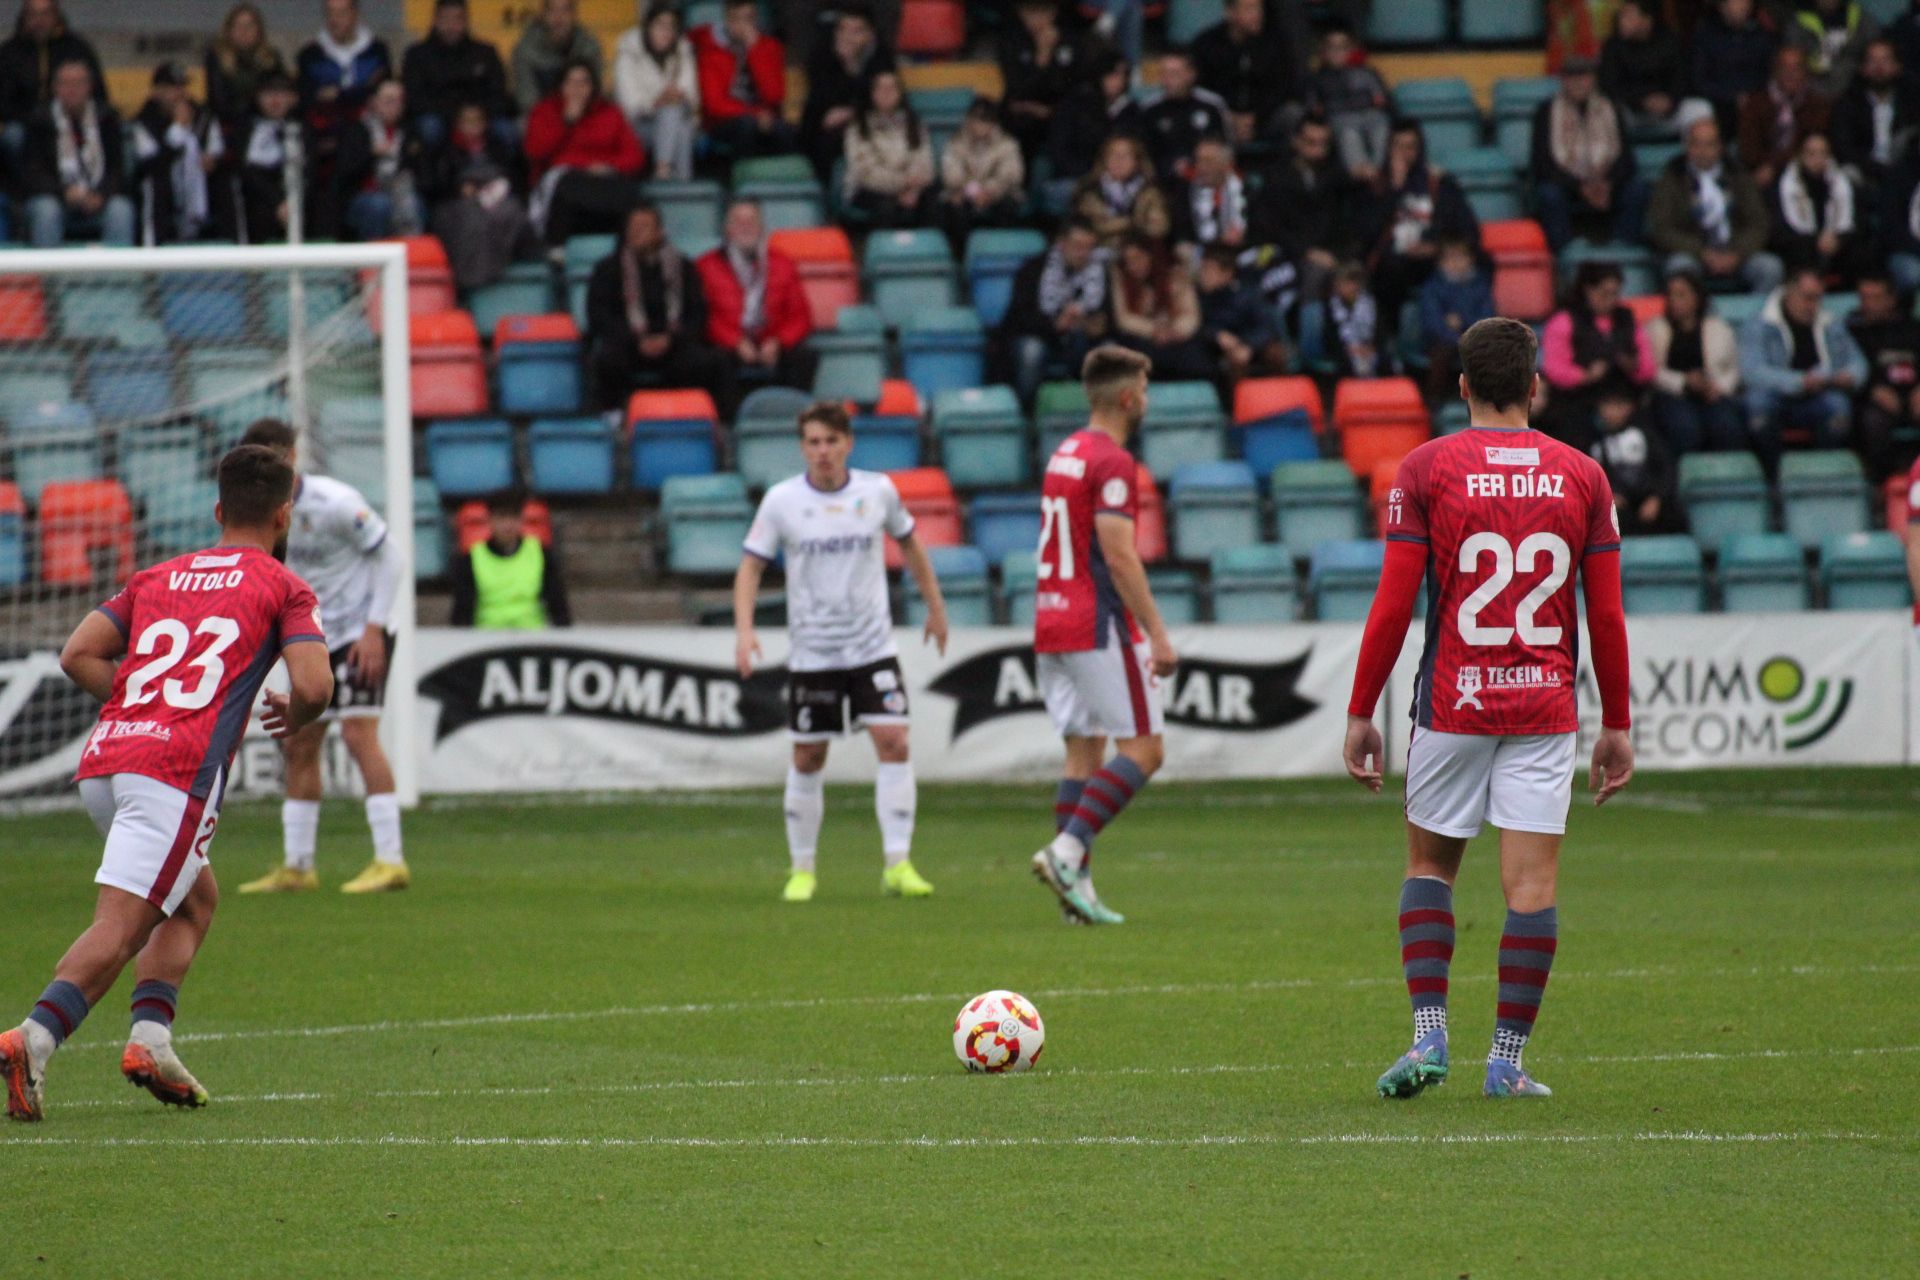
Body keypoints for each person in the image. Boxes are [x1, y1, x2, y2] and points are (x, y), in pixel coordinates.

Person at [1344, 316, 1635, 1103]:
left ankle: (1428, 1035)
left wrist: (1360, 709)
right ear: (1534, 386)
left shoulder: (1426, 468)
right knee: (1531, 888)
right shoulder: (1583, 476)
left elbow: (1393, 603)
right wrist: (1617, 721)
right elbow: (1604, 617)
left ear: (1464, 386)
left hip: (1452, 703)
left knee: (1431, 867)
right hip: (1543, 707)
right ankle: (1505, 1062)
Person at [0, 444, 333, 1124]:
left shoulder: (158, 574)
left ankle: (151, 1040)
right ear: (284, 515)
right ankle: (33, 1038)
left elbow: (77, 653)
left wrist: (139, 710)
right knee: (121, 925)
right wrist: (293, 715)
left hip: (108, 760)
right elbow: (316, 685)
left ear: (217, 510)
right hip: (175, 775)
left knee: (192, 901)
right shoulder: (283, 585)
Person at [733, 402, 949, 904]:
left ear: (848, 443)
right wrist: (745, 631)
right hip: (815, 653)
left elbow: (912, 546)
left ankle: (898, 864)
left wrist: (935, 608)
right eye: (813, 442)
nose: (823, 451)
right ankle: (802, 869)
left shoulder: (878, 492)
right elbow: (750, 568)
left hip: (872, 646)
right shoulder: (782, 501)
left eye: (831, 441)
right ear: (802, 447)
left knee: (894, 742)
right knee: (809, 755)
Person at [1029, 345, 1179, 927]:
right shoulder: (1112, 461)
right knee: (1144, 748)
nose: (1146, 397)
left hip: (1049, 617)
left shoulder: (1065, 451)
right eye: (1143, 386)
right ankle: (1066, 854)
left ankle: (1076, 894)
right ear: (1125, 396)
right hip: (1095, 621)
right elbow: (1118, 554)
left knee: (1082, 751)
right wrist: (1158, 635)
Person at [233, 419, 412, 897]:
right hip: (312, 638)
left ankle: (391, 860)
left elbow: (391, 556)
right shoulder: (265, 513)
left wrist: (374, 628)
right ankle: (298, 866)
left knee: (358, 735)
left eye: (274, 456)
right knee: (300, 742)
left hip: (358, 634)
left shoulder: (336, 502)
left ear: (292, 457)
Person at [588, 202, 731, 412]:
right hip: (628, 343)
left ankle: (700, 416)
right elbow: (599, 315)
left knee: (713, 360)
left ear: (659, 232)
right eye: (633, 228)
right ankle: (615, 417)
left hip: (674, 344)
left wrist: (670, 339)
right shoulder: (607, 269)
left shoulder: (683, 266)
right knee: (606, 359)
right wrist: (635, 339)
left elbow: (697, 313)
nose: (637, 233)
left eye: (644, 227)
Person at [1739, 266, 1867, 476]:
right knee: (1758, 407)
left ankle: (1823, 474)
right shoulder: (1760, 323)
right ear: (1789, 293)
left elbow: (1858, 362)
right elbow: (1752, 371)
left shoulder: (1830, 323)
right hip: (1776, 396)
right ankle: (1774, 477)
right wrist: (1799, 382)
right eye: (1807, 298)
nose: (1812, 305)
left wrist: (1850, 377)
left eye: (1818, 298)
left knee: (1838, 407)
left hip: (1819, 395)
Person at [1353, 119, 1480, 327]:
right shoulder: (1374, 187)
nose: (1404, 153)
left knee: (1479, 264)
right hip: (1393, 262)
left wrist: (1436, 248)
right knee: (1389, 268)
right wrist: (1394, 188)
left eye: (1410, 147)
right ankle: (1390, 339)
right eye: (1398, 146)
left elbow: (1468, 229)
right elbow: (1366, 234)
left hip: (1434, 257)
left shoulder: (1440, 184)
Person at [1646, 113, 1783, 294]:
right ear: (1687, 146)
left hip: (1736, 253)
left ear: (1720, 147)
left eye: (1709, 144)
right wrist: (1702, 253)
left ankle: (1755, 319)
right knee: (1680, 267)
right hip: (1693, 254)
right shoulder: (1672, 177)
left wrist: (1737, 253)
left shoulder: (1738, 175)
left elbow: (1758, 222)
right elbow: (1661, 228)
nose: (1703, 151)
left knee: (1771, 268)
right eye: (1696, 144)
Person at [698, 199, 818, 395]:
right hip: (729, 344)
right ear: (727, 229)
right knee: (713, 360)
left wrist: (778, 341)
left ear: (762, 228)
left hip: (772, 341)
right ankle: (730, 421)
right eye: (738, 221)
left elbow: (801, 316)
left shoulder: (783, 264)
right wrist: (735, 342)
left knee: (804, 357)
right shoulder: (706, 266)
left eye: (752, 221)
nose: (746, 227)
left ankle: (790, 415)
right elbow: (705, 317)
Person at [1530, 54, 1648, 251]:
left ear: (1593, 79)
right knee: (1549, 194)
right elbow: (1542, 163)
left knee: (1637, 189)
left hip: (1606, 182)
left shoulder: (1610, 106)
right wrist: (1580, 186)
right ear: (1563, 80)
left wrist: (1608, 183)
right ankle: (1564, 255)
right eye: (1571, 77)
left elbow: (1626, 157)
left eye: (1583, 76)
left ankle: (1624, 249)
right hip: (1567, 184)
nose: (1578, 83)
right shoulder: (1547, 111)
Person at [523, 58, 647, 245]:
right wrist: (565, 122)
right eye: (571, 82)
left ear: (593, 86)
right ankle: (556, 248)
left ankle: (627, 252)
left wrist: (609, 166)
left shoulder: (610, 112)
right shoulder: (545, 111)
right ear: (561, 86)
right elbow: (535, 151)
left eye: (583, 82)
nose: (577, 88)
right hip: (564, 180)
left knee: (632, 194)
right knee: (566, 185)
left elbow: (634, 156)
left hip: (603, 180)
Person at [1540, 261, 1656, 452]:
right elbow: (1554, 369)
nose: (1610, 300)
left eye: (1615, 294)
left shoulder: (1627, 320)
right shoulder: (1564, 321)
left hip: (1624, 401)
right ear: (1588, 290)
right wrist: (1585, 376)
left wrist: (1632, 367)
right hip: (1578, 403)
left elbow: (1647, 367)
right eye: (1604, 293)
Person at [22, 59, 132, 247]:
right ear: (55, 88)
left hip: (97, 198)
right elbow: (33, 173)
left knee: (120, 209)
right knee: (46, 210)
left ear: (89, 87)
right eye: (65, 84)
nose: (71, 90)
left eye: (78, 84)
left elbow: (117, 168)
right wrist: (64, 192)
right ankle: (49, 275)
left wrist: (101, 195)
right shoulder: (39, 121)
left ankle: (118, 275)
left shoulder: (107, 118)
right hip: (56, 198)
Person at [999, 217, 1109, 405]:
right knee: (1031, 352)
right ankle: (1028, 413)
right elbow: (1018, 315)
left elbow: (1108, 316)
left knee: (1111, 352)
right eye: (1077, 246)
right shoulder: (1033, 269)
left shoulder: (1101, 272)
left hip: (1084, 339)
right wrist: (1055, 324)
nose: (1083, 253)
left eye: (1089, 247)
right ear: (1062, 244)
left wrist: (1094, 325)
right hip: (1039, 335)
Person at [429, 101, 538, 289]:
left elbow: (516, 177)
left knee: (511, 212)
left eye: (477, 121)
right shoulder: (444, 150)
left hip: (496, 198)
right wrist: (460, 188)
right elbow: (434, 184)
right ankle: (472, 282)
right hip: (456, 204)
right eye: (466, 121)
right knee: (474, 220)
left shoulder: (498, 147)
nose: (472, 126)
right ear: (457, 124)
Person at [1250, 115, 1352, 306]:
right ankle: (1308, 333)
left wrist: (1338, 255)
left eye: (1323, 144)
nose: (1318, 151)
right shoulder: (1277, 177)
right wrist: (1307, 251)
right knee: (1314, 273)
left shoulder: (1336, 177)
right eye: (1311, 143)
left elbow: (1343, 224)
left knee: (1353, 272)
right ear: (1296, 141)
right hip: (1288, 254)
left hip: (1330, 252)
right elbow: (1271, 226)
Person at [132, 61, 233, 246]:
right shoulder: (145, 120)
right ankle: (151, 257)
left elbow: (217, 150)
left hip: (199, 185)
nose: (179, 94)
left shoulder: (203, 116)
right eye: (172, 88)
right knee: (153, 186)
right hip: (165, 185)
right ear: (156, 91)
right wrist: (177, 129)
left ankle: (236, 254)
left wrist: (212, 160)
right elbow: (150, 163)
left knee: (228, 184)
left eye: (182, 87)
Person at [1645, 270, 1745, 453]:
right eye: (1671, 295)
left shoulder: (1719, 328)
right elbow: (1651, 371)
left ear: (1697, 297)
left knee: (1727, 426)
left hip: (1712, 393)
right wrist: (1684, 381)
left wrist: (1717, 388)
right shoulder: (1655, 328)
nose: (1675, 300)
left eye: (1681, 294)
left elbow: (1733, 368)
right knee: (1685, 428)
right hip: (1671, 394)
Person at [449, 490, 573, 628]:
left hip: (532, 638)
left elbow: (557, 604)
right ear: (490, 520)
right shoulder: (471, 558)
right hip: (487, 641)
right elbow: (462, 611)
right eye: (501, 517)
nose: (508, 524)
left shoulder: (540, 553)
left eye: (514, 517)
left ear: (521, 519)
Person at [800, 2, 893, 182]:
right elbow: (820, 99)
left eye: (856, 31)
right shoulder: (822, 53)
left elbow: (884, 97)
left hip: (868, 120)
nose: (848, 37)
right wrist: (845, 67)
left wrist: (852, 67)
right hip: (824, 125)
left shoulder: (881, 56)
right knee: (826, 140)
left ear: (870, 34)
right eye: (843, 30)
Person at [0, 0, 103, 159]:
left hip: (73, 122)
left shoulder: (77, 49)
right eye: (33, 14)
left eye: (45, 14)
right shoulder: (9, 53)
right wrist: (36, 119)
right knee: (13, 136)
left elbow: (99, 95)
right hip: (27, 125)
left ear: (56, 16)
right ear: (24, 17)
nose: (39, 20)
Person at [401, 0, 512, 147]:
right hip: (438, 115)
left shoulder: (485, 52)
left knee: (505, 130)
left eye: (457, 19)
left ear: (466, 22)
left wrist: (476, 116)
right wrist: (456, 116)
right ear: (435, 21)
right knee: (430, 127)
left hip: (481, 115)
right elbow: (415, 97)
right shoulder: (417, 55)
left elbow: (498, 91)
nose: (451, 26)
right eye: (445, 19)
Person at [1191, 0, 1298, 150]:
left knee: (1293, 114)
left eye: (1259, 9)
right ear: (1230, 13)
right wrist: (1228, 116)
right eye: (1249, 9)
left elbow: (1284, 87)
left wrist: (1255, 117)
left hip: (1263, 119)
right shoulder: (1207, 44)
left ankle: (1288, 171)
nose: (1257, 15)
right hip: (1221, 119)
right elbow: (1201, 90)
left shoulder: (1275, 43)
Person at [1044, 50, 1142, 212]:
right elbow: (1059, 149)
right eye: (1112, 75)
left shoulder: (1131, 111)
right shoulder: (1075, 105)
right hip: (1080, 176)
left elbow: (1137, 150)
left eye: (1122, 76)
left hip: (1122, 178)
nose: (1117, 81)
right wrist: (1092, 176)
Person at [691, 0, 791, 158]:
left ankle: (786, 181)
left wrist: (755, 51)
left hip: (765, 118)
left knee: (785, 131)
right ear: (727, 20)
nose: (743, 26)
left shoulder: (769, 47)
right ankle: (748, 179)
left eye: (748, 19)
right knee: (746, 126)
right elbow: (714, 104)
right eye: (736, 19)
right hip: (724, 121)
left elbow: (774, 96)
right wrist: (754, 113)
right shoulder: (711, 51)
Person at [335, 77, 431, 240]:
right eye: (388, 101)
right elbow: (344, 173)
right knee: (378, 204)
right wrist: (371, 154)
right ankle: (373, 262)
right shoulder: (357, 130)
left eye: (399, 101)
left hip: (401, 193)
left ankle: (410, 259)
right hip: (362, 196)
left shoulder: (410, 133)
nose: (395, 106)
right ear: (374, 102)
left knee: (415, 204)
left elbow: (425, 173)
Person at [1109, 233, 1213, 381]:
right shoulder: (1121, 279)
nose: (1133, 266)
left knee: (1198, 359)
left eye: (1138, 258)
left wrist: (1175, 331)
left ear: (1151, 256)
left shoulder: (1175, 275)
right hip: (1141, 338)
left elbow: (1191, 315)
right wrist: (1153, 330)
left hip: (1176, 337)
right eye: (1128, 261)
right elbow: (1123, 319)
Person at [614, 1, 700, 181]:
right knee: (672, 114)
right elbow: (630, 106)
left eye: (671, 27)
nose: (666, 32)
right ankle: (677, 183)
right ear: (648, 26)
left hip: (676, 122)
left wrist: (676, 98)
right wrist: (658, 102)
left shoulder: (683, 50)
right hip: (636, 126)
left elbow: (692, 97)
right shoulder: (628, 50)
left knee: (678, 121)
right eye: (660, 25)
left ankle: (666, 173)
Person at [1847, 273, 1920, 481]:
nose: (1868, 304)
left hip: (1913, 395)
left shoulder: (1912, 328)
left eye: (1875, 298)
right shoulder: (1853, 330)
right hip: (1875, 400)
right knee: (1872, 421)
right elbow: (1851, 370)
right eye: (1864, 298)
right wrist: (1872, 390)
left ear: (1891, 299)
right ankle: (1881, 484)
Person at [1769, 130, 1868, 282]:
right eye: (1811, 153)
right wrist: (1815, 241)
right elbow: (1780, 232)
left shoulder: (1842, 184)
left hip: (1837, 246)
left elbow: (1857, 223)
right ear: (1800, 155)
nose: (1818, 159)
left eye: (1823, 153)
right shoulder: (1784, 185)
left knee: (1861, 253)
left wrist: (1838, 240)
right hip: (1801, 247)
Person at [1589, 378, 1682, 534]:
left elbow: (1666, 469)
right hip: (1617, 506)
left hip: (1650, 501)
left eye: (1618, 406)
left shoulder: (1646, 435)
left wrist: (1656, 498)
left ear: (1629, 407)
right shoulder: (1593, 442)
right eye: (1607, 405)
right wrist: (1608, 496)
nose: (1611, 412)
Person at [843, 70, 934, 227]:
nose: (887, 93)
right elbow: (867, 173)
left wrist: (914, 190)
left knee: (934, 200)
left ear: (900, 93)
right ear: (872, 93)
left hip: (911, 187)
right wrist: (902, 184)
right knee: (887, 208)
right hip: (868, 190)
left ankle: (929, 249)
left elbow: (924, 162)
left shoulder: (915, 125)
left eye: (892, 88)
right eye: (881, 88)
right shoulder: (858, 129)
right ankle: (885, 249)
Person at [999, 0, 1084, 162]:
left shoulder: (1070, 41)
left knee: (1075, 122)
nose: (1036, 19)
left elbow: (1072, 84)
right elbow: (1016, 88)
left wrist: (1052, 110)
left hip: (1059, 111)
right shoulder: (1011, 42)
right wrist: (1041, 58)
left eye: (1042, 12)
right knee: (1019, 124)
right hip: (1024, 110)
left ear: (1053, 12)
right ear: (1020, 12)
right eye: (1030, 12)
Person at [937, 97, 1024, 255]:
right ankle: (963, 257)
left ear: (993, 123)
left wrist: (989, 192)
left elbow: (1011, 175)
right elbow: (951, 175)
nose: (980, 125)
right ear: (969, 120)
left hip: (999, 194)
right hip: (964, 193)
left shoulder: (1007, 144)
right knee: (954, 206)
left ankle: (1000, 253)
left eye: (985, 120)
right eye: (976, 119)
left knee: (1009, 205)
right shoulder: (955, 143)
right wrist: (974, 191)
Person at [295, 0, 392, 140]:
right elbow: (308, 96)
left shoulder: (376, 52)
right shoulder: (311, 55)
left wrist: (339, 94)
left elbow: (379, 91)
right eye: (330, 13)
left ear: (355, 14)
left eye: (341, 13)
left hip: (370, 124)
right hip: (325, 128)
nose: (334, 20)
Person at [1737, 45, 1831, 187]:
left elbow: (1813, 144)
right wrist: (1764, 166)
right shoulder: (1755, 104)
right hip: (1762, 173)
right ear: (1775, 71)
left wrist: (1775, 165)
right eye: (1785, 68)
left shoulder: (1817, 105)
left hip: (1805, 173)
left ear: (1805, 72)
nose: (1790, 74)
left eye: (1796, 68)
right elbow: (1749, 149)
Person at [1829, 37, 1918, 185]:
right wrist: (1876, 169)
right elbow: (1844, 148)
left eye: (1885, 60)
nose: (1879, 67)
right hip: (1864, 172)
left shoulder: (1911, 102)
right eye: (1872, 61)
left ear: (1897, 66)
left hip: (1904, 172)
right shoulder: (1848, 103)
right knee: (1847, 174)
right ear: (1862, 68)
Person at [1308, 22, 1390, 180]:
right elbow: (1313, 107)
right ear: (1323, 51)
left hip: (1368, 114)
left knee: (1381, 125)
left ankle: (1377, 170)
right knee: (1348, 133)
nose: (1337, 52)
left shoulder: (1367, 73)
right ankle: (1360, 171)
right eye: (1332, 47)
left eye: (1343, 47)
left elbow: (1383, 100)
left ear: (1351, 48)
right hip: (1339, 118)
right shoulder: (1317, 78)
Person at [1196, 244, 1285, 388]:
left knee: (1275, 353)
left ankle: (1282, 399)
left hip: (1249, 344)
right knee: (1236, 360)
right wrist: (1216, 335)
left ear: (1227, 274)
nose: (1204, 275)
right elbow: (1196, 325)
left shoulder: (1248, 294)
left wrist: (1248, 346)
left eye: (1210, 270)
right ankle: (1239, 405)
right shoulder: (1199, 297)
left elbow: (1266, 327)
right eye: (1203, 269)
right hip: (1214, 349)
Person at [1418, 236, 1495, 400]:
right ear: (1441, 262)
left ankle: (1482, 404)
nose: (1456, 262)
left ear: (1470, 260)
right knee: (1441, 353)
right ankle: (1434, 403)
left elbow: (1487, 318)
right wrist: (1458, 339)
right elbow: (1432, 323)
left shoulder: (1480, 285)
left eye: (1461, 257)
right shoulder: (1431, 288)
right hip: (1441, 341)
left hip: (1474, 340)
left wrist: (1463, 322)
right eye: (1451, 258)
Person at [237, 71, 309, 244]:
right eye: (268, 94)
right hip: (259, 196)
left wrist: (292, 201)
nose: (275, 100)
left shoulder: (302, 128)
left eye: (282, 94)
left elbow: (309, 169)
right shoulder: (247, 128)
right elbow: (245, 170)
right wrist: (277, 202)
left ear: (293, 98)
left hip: (297, 193)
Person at [1689, 0, 1780, 134]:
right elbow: (1698, 79)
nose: (1742, 5)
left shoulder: (1761, 35)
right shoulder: (1706, 35)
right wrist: (1730, 97)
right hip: (1717, 102)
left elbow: (1768, 74)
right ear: (1722, 6)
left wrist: (1752, 97)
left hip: (1754, 100)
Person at [1600, 0, 1687, 134]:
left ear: (1646, 20)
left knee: (1699, 109)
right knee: (1607, 112)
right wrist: (1642, 101)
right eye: (1621, 16)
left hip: (1667, 111)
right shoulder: (1613, 46)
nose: (1621, 21)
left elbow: (1682, 78)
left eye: (1628, 16)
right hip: (1631, 112)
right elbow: (1609, 86)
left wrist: (1671, 100)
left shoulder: (1669, 40)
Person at [1071, 133, 1170, 249]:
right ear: (1104, 159)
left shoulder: (1151, 192)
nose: (1119, 160)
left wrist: (1114, 225)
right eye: (1113, 154)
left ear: (1137, 161)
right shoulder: (1088, 190)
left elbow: (1158, 229)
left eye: (1126, 155)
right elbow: (1086, 228)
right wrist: (1132, 221)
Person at [204, 2, 291, 136]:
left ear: (259, 30)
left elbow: (282, 90)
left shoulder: (271, 58)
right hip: (231, 125)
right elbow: (218, 101)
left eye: (249, 25)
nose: (244, 31)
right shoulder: (217, 58)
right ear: (229, 30)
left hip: (267, 122)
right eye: (238, 26)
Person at [1140, 49, 1230, 178]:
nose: (1167, 80)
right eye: (1164, 73)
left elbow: (1225, 147)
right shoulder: (1149, 109)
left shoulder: (1212, 105)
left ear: (1191, 74)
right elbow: (1143, 153)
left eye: (1174, 74)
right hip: (1161, 182)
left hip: (1205, 180)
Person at [511, 0, 603, 114]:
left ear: (574, 15)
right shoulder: (526, 48)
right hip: (540, 116)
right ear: (543, 15)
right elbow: (527, 98)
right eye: (552, 10)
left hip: (582, 114)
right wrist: (553, 121)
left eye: (565, 10)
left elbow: (595, 93)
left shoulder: (588, 46)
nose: (559, 18)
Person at [1787, 0, 1879, 99]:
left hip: (1857, 92)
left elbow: (1876, 54)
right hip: (1810, 94)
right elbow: (1792, 62)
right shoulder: (1798, 24)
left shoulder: (1862, 20)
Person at [1171, 134, 1247, 249]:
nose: (1201, 167)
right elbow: (1182, 234)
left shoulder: (1247, 189)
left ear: (1226, 164)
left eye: (1208, 161)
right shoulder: (1185, 194)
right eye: (1198, 161)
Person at [1324, 258, 1387, 377]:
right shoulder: (1330, 306)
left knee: (1385, 362)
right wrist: (1349, 349)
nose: (1348, 286)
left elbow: (1380, 332)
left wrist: (1371, 347)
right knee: (1347, 365)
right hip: (1344, 350)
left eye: (1351, 282)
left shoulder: (1371, 303)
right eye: (1344, 282)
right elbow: (1329, 336)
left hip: (1369, 348)